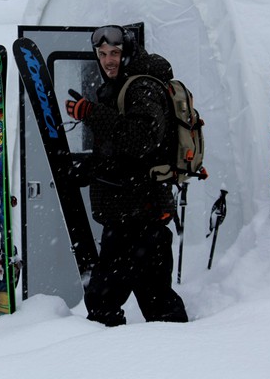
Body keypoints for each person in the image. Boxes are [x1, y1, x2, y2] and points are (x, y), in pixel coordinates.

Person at [64, 25, 188, 327]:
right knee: (156, 298)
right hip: (134, 212)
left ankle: (114, 360)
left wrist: (91, 113)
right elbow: (123, 153)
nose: (108, 60)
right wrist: (92, 170)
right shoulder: (122, 85)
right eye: (103, 54)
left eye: (115, 53)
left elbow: (141, 139)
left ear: (127, 53)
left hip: (137, 215)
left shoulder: (141, 87)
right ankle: (172, 353)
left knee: (103, 301)